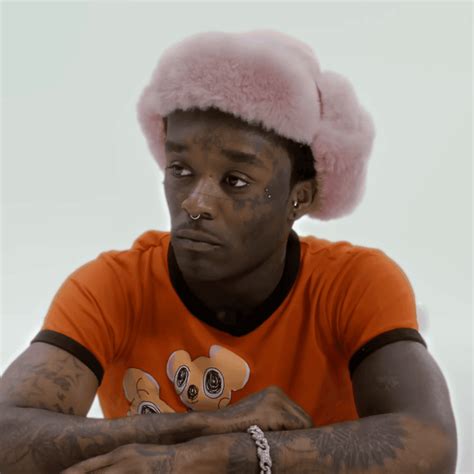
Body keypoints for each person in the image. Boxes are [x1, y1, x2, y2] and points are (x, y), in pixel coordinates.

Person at [0, 29, 457, 474]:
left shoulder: (355, 283)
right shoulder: (112, 286)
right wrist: (198, 425)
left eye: (235, 180)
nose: (195, 203)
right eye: (180, 169)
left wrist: (223, 454)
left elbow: (430, 444)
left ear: (298, 198)